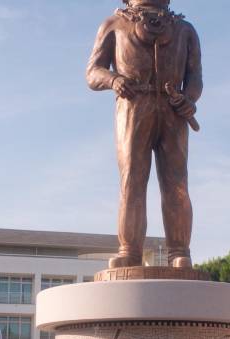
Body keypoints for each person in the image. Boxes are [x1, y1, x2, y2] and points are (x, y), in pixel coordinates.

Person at [86, 0, 202, 268]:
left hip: (173, 111)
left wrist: (189, 98)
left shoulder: (185, 30)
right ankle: (129, 250)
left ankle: (179, 251)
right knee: (132, 179)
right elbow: (92, 73)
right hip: (133, 107)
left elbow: (195, 76)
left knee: (177, 183)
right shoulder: (113, 25)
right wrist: (114, 80)